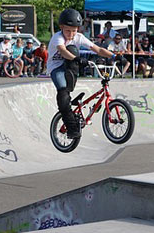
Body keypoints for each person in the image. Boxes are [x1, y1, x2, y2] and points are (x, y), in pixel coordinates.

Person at [47, 8, 114, 139]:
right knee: (63, 94)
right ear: (61, 27)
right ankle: (71, 126)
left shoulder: (79, 37)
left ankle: (71, 96)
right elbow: (63, 51)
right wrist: (77, 59)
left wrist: (114, 56)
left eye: (74, 30)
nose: (71, 34)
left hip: (70, 66)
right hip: (56, 67)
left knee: (73, 51)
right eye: (68, 31)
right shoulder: (57, 37)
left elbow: (98, 49)